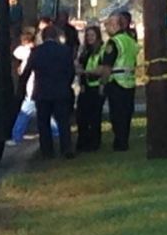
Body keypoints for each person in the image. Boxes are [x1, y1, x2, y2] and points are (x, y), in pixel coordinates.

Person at [20, 24, 75, 159]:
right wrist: (66, 84)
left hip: (42, 92)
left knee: (43, 123)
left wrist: (21, 90)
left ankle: (47, 151)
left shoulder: (36, 52)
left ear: (43, 37)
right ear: (56, 36)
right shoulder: (65, 51)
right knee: (63, 121)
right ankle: (66, 148)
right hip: (61, 91)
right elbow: (71, 72)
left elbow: (27, 71)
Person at [99, 11, 140, 151]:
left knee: (116, 114)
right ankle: (124, 140)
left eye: (108, 24)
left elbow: (107, 66)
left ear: (115, 25)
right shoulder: (130, 40)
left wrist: (102, 84)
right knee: (127, 113)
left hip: (116, 81)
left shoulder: (114, 42)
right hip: (130, 81)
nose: (106, 28)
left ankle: (119, 143)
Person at [75, 25, 106, 151]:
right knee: (81, 117)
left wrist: (85, 72)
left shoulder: (102, 50)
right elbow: (79, 66)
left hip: (96, 87)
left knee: (94, 117)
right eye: (87, 36)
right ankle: (83, 142)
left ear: (98, 36)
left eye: (92, 35)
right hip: (85, 87)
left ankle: (94, 143)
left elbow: (101, 70)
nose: (89, 38)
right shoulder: (84, 51)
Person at [8, 30, 37, 146]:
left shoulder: (26, 51)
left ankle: (16, 137)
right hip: (34, 88)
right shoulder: (33, 53)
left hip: (32, 89)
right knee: (43, 115)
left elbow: (16, 52)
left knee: (24, 113)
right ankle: (58, 132)